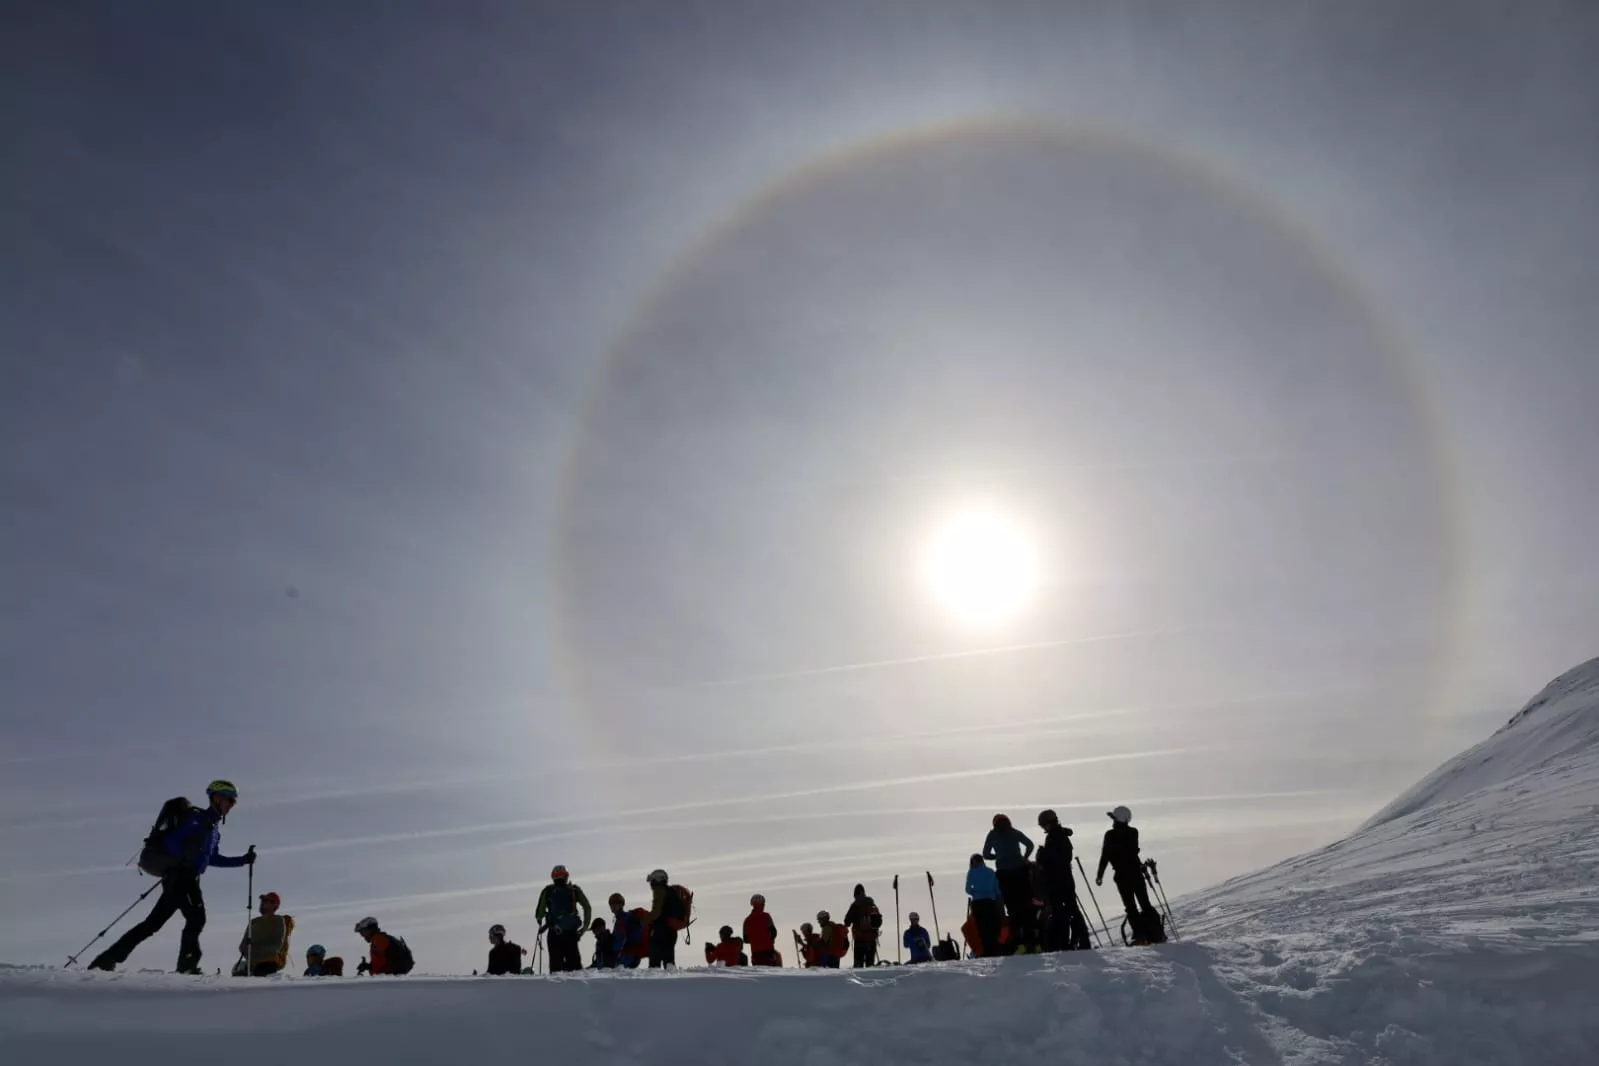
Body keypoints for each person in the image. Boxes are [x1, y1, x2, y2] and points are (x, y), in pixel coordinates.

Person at [88, 780, 256, 973]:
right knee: (196, 918)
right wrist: (184, 862)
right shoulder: (198, 819)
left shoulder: (213, 829)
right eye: (230, 800)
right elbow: (171, 841)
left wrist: (243, 860)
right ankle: (187, 966)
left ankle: (105, 960)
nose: (232, 805)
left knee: (152, 924)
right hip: (182, 877)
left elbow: (212, 858)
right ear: (216, 798)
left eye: (234, 802)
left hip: (183, 877)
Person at [1096, 805, 1163, 944]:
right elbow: (1132, 850)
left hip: (1122, 876)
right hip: (1136, 873)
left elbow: (1105, 856)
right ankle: (1156, 933)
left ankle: (1140, 936)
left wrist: (1100, 875)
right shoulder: (1133, 832)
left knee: (1131, 907)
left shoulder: (1110, 835)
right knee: (1145, 903)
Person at [1035, 809, 1093, 951]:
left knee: (1060, 912)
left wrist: (1042, 856)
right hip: (1066, 878)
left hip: (1057, 881)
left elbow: (1054, 859)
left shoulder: (1054, 837)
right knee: (1072, 909)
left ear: (1048, 823)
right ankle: (1081, 938)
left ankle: (1065, 942)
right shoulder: (1061, 835)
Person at [984, 814, 1037, 951]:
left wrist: (998, 856)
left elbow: (985, 854)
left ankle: (1018, 943)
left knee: (1012, 908)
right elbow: (1030, 844)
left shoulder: (992, 835)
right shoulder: (1014, 832)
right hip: (1020, 871)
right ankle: (1032, 941)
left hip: (1004, 874)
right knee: (1026, 904)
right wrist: (1024, 857)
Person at [535, 865, 593, 973]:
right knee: (575, 968)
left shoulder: (548, 891)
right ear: (566, 876)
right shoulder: (574, 890)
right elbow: (587, 907)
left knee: (556, 968)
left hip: (554, 933)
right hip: (571, 933)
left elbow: (539, 914)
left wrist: (546, 917)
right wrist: (584, 928)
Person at [238, 891, 294, 976]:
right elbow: (243, 944)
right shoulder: (253, 922)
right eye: (262, 901)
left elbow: (277, 944)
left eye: (266, 901)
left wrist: (257, 949)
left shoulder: (278, 920)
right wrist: (245, 949)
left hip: (268, 963)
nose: (262, 903)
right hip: (251, 965)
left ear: (274, 905)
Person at [965, 853, 1003, 958]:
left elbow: (967, 889)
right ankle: (994, 950)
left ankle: (984, 951)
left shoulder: (972, 872)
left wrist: (975, 893)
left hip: (978, 903)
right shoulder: (991, 872)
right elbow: (997, 889)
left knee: (981, 928)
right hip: (990, 902)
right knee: (992, 927)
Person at [646, 869, 682, 968]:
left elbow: (656, 913)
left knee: (654, 963)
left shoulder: (659, 890)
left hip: (661, 931)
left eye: (652, 881)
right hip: (671, 931)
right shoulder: (670, 891)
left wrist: (645, 920)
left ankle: (656, 979)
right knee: (669, 962)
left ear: (658, 880)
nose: (651, 884)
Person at [842, 883, 882, 968]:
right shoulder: (872, 905)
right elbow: (878, 922)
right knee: (870, 965)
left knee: (858, 965)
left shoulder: (855, 906)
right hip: (872, 939)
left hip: (859, 939)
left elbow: (847, 922)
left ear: (855, 894)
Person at [608, 893, 646, 969]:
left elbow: (620, 939)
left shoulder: (623, 919)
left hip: (628, 956)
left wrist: (613, 953)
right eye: (611, 904)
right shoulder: (623, 918)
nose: (613, 906)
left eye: (616, 903)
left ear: (621, 905)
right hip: (633, 955)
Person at [743, 893, 780, 966]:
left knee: (759, 970)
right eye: (763, 904)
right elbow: (774, 932)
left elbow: (746, 939)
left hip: (755, 953)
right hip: (768, 951)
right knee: (772, 971)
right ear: (761, 905)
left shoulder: (747, 920)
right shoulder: (766, 916)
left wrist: (755, 940)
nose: (764, 905)